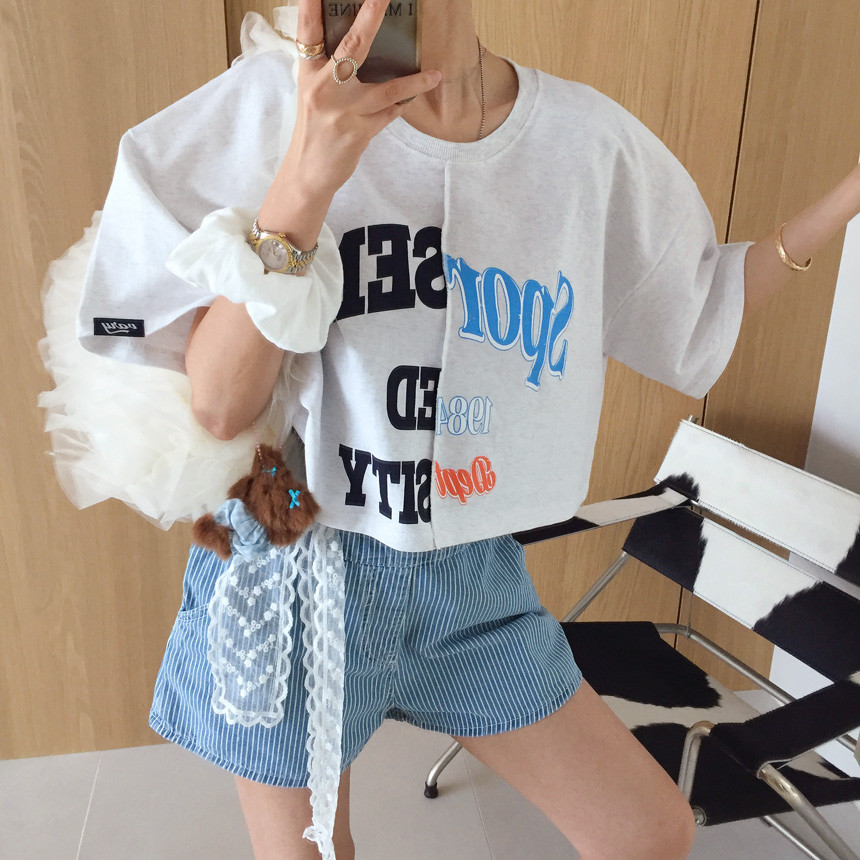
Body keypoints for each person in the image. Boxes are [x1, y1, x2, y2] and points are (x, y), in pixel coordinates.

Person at [56, 1, 860, 858]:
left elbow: (696, 303)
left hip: (473, 577)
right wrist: (304, 180)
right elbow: (219, 404)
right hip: (300, 565)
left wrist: (845, 200)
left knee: (647, 832)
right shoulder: (266, 110)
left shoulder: (584, 143)